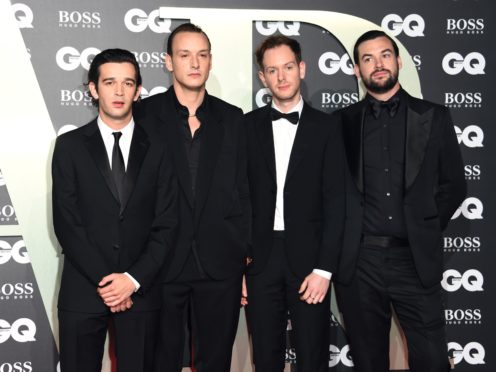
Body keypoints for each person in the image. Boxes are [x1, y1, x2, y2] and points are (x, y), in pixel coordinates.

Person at [334, 30, 466, 372]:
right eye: (367, 58)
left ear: (398, 60)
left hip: (413, 259)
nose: (378, 64)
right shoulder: (340, 123)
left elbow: (453, 186)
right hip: (360, 262)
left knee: (433, 360)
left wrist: (424, 228)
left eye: (385, 55)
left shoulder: (434, 116)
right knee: (368, 360)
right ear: (356, 70)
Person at [52, 48, 177, 372]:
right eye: (109, 82)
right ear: (94, 89)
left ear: (138, 91)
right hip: (83, 288)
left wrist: (132, 280)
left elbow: (167, 223)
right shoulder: (69, 146)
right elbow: (67, 223)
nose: (119, 91)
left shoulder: (160, 148)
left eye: (127, 83)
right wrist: (109, 283)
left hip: (141, 290)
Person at [136, 23, 250, 372]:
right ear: (168, 61)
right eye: (185, 55)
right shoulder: (142, 116)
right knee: (160, 361)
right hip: (161, 263)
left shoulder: (233, 119)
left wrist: (246, 261)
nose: (195, 63)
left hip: (220, 264)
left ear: (211, 61)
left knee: (216, 361)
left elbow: (246, 192)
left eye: (202, 55)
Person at [244, 35, 344, 372]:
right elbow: (236, 199)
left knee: (313, 354)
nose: (281, 77)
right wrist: (239, 266)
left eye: (288, 67)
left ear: (301, 68)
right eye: (272, 70)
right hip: (259, 260)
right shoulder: (245, 126)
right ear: (263, 78)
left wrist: (324, 269)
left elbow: (336, 203)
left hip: (310, 263)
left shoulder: (328, 127)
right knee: (265, 356)